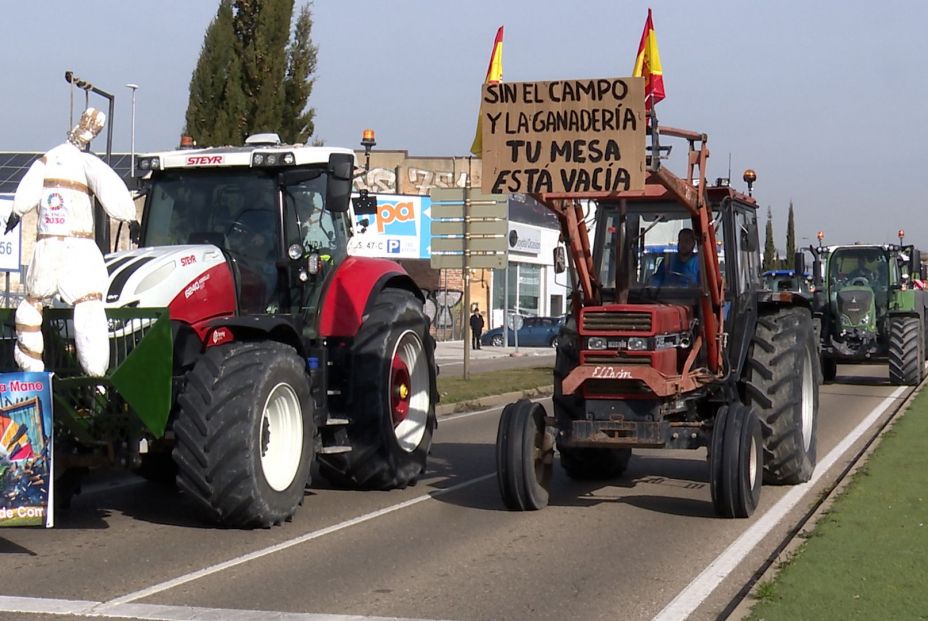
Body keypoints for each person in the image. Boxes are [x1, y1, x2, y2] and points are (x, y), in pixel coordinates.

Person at [4, 108, 139, 377]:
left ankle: (32, 373)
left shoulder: (47, 159)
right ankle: (96, 379)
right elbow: (110, 188)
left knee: (31, 306)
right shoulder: (86, 162)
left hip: (48, 248)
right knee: (88, 308)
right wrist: (131, 216)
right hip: (78, 251)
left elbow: (27, 192)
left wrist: (16, 214)